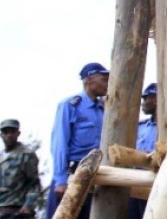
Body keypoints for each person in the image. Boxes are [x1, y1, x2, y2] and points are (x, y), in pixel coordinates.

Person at [47, 63, 108, 219]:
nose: (107, 84)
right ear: (89, 79)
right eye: (104, 79)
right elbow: (59, 144)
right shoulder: (70, 106)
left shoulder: (104, 109)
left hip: (94, 173)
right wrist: (60, 179)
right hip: (72, 172)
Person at [126, 84, 157, 219]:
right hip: (134, 182)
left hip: (155, 183)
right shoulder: (140, 127)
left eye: (145, 99)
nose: (142, 103)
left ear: (156, 100)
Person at [0, 119, 41, 217]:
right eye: (6, 132)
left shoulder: (26, 155)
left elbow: (34, 184)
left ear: (18, 133)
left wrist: (28, 206)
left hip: (15, 211)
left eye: (12, 132)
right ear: (1, 135)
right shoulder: (1, 156)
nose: (9, 135)